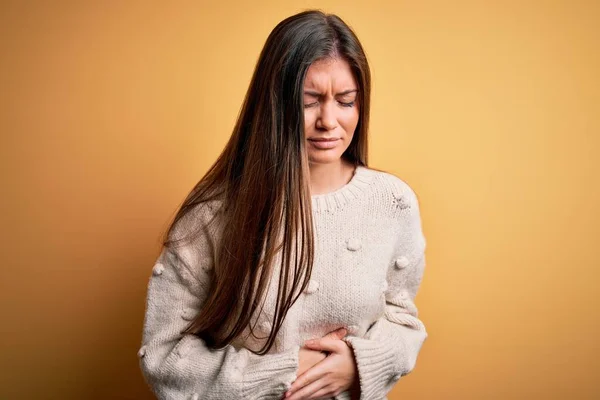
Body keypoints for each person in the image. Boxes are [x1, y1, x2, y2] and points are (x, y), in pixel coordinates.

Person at [138, 9, 428, 400]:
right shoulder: (212, 216)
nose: (329, 120)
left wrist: (359, 364)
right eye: (309, 102)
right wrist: (283, 372)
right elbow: (163, 357)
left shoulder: (393, 203)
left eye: (345, 101)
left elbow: (401, 318)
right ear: (274, 105)